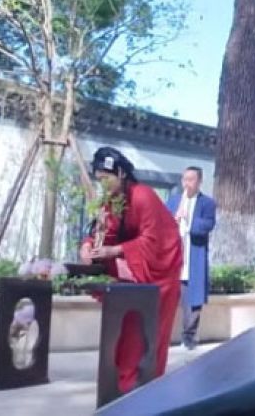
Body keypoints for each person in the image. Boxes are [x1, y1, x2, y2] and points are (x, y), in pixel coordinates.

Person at [81, 146, 183, 393]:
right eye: (100, 179)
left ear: (122, 174)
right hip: (135, 272)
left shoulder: (143, 195)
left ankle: (144, 387)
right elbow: (104, 232)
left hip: (161, 271)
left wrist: (116, 251)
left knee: (149, 332)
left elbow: (153, 239)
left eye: (107, 178)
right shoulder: (112, 201)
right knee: (125, 329)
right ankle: (121, 383)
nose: (104, 184)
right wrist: (88, 246)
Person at [165, 166, 217, 350]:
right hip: (174, 258)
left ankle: (189, 337)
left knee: (193, 300)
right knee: (167, 300)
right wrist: (173, 220)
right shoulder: (173, 201)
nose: (186, 183)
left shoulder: (207, 203)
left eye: (191, 179)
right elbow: (162, 225)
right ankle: (162, 337)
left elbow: (208, 225)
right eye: (184, 179)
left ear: (199, 181)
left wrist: (189, 220)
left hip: (193, 256)